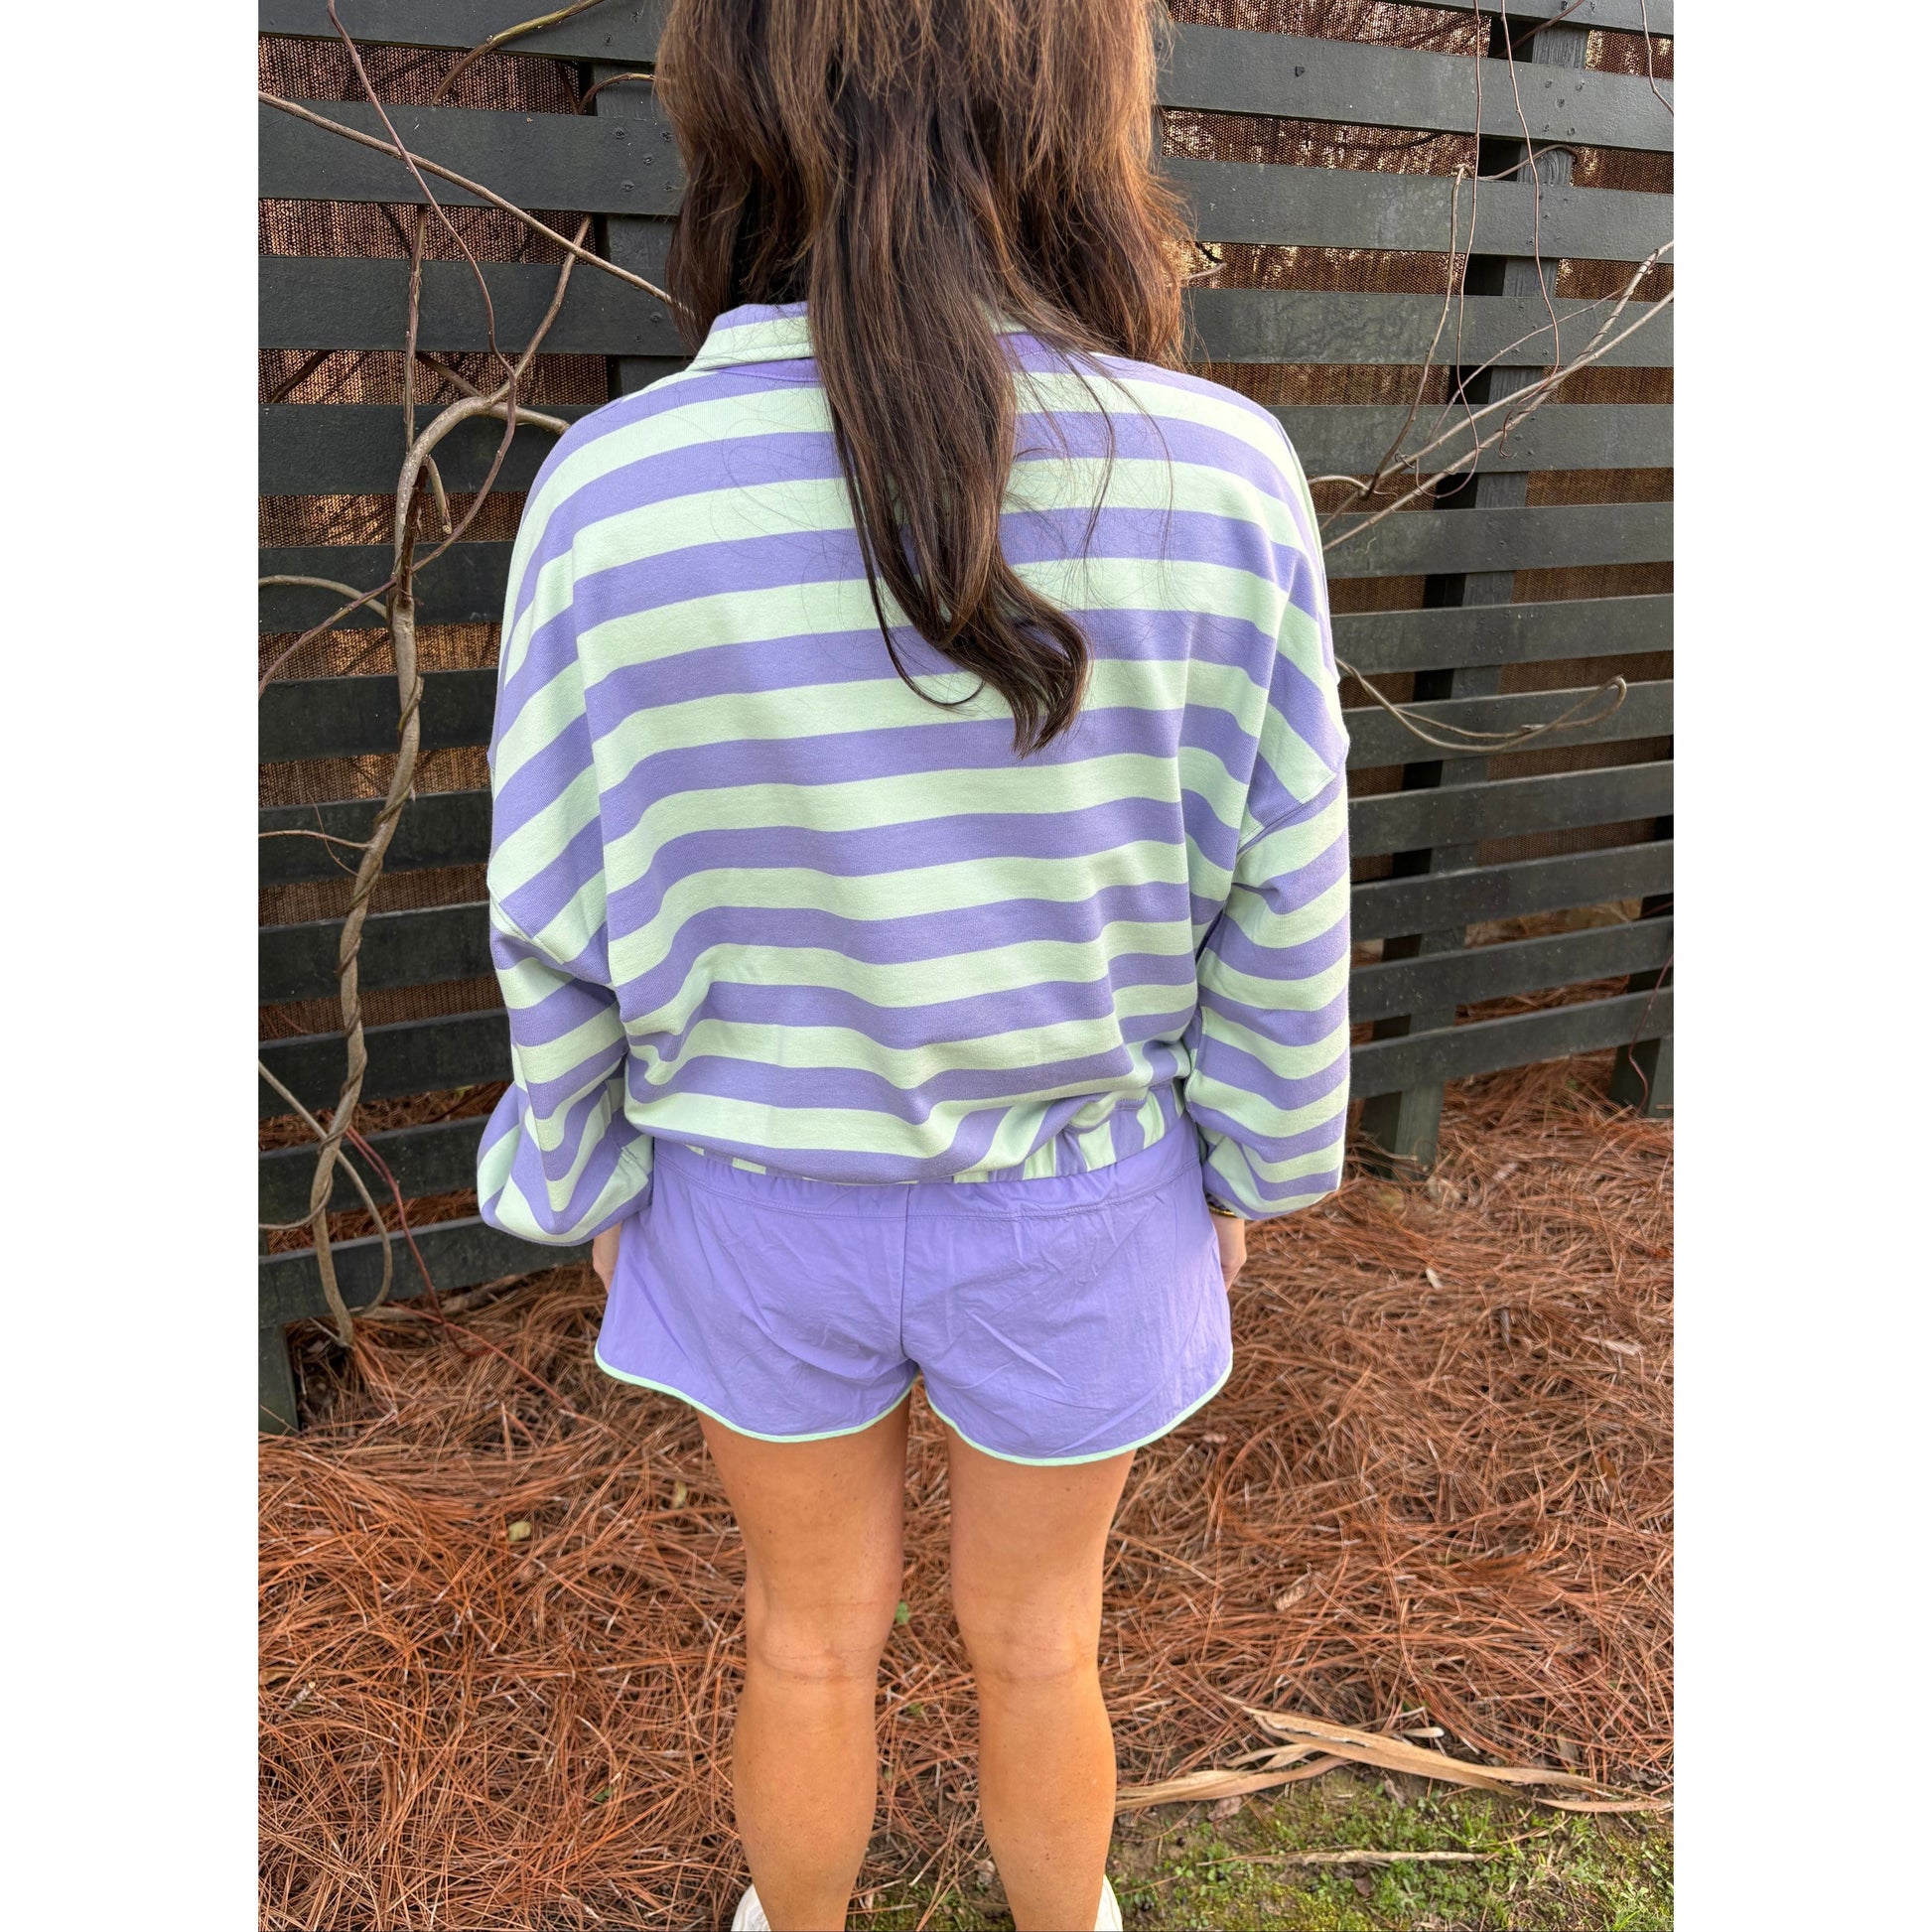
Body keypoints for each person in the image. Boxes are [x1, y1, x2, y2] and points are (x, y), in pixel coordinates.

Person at [478, 2, 1350, 1924]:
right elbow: (1278, 891)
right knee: (1044, 1641)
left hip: (750, 1192)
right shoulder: (1218, 473)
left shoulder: (616, 489)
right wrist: (1258, 1163)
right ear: (1081, 103)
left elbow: (549, 899)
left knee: (803, 1637)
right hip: (1088, 1194)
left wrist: (587, 1173)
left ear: (737, 106)